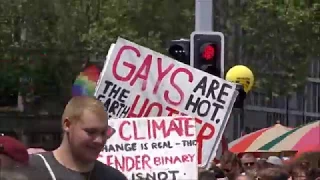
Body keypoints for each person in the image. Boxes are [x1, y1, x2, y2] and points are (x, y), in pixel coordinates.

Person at [28, 96, 127, 180]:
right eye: (91, 132)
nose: (99, 140)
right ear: (67, 125)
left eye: (103, 133)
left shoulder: (114, 177)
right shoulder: (31, 170)